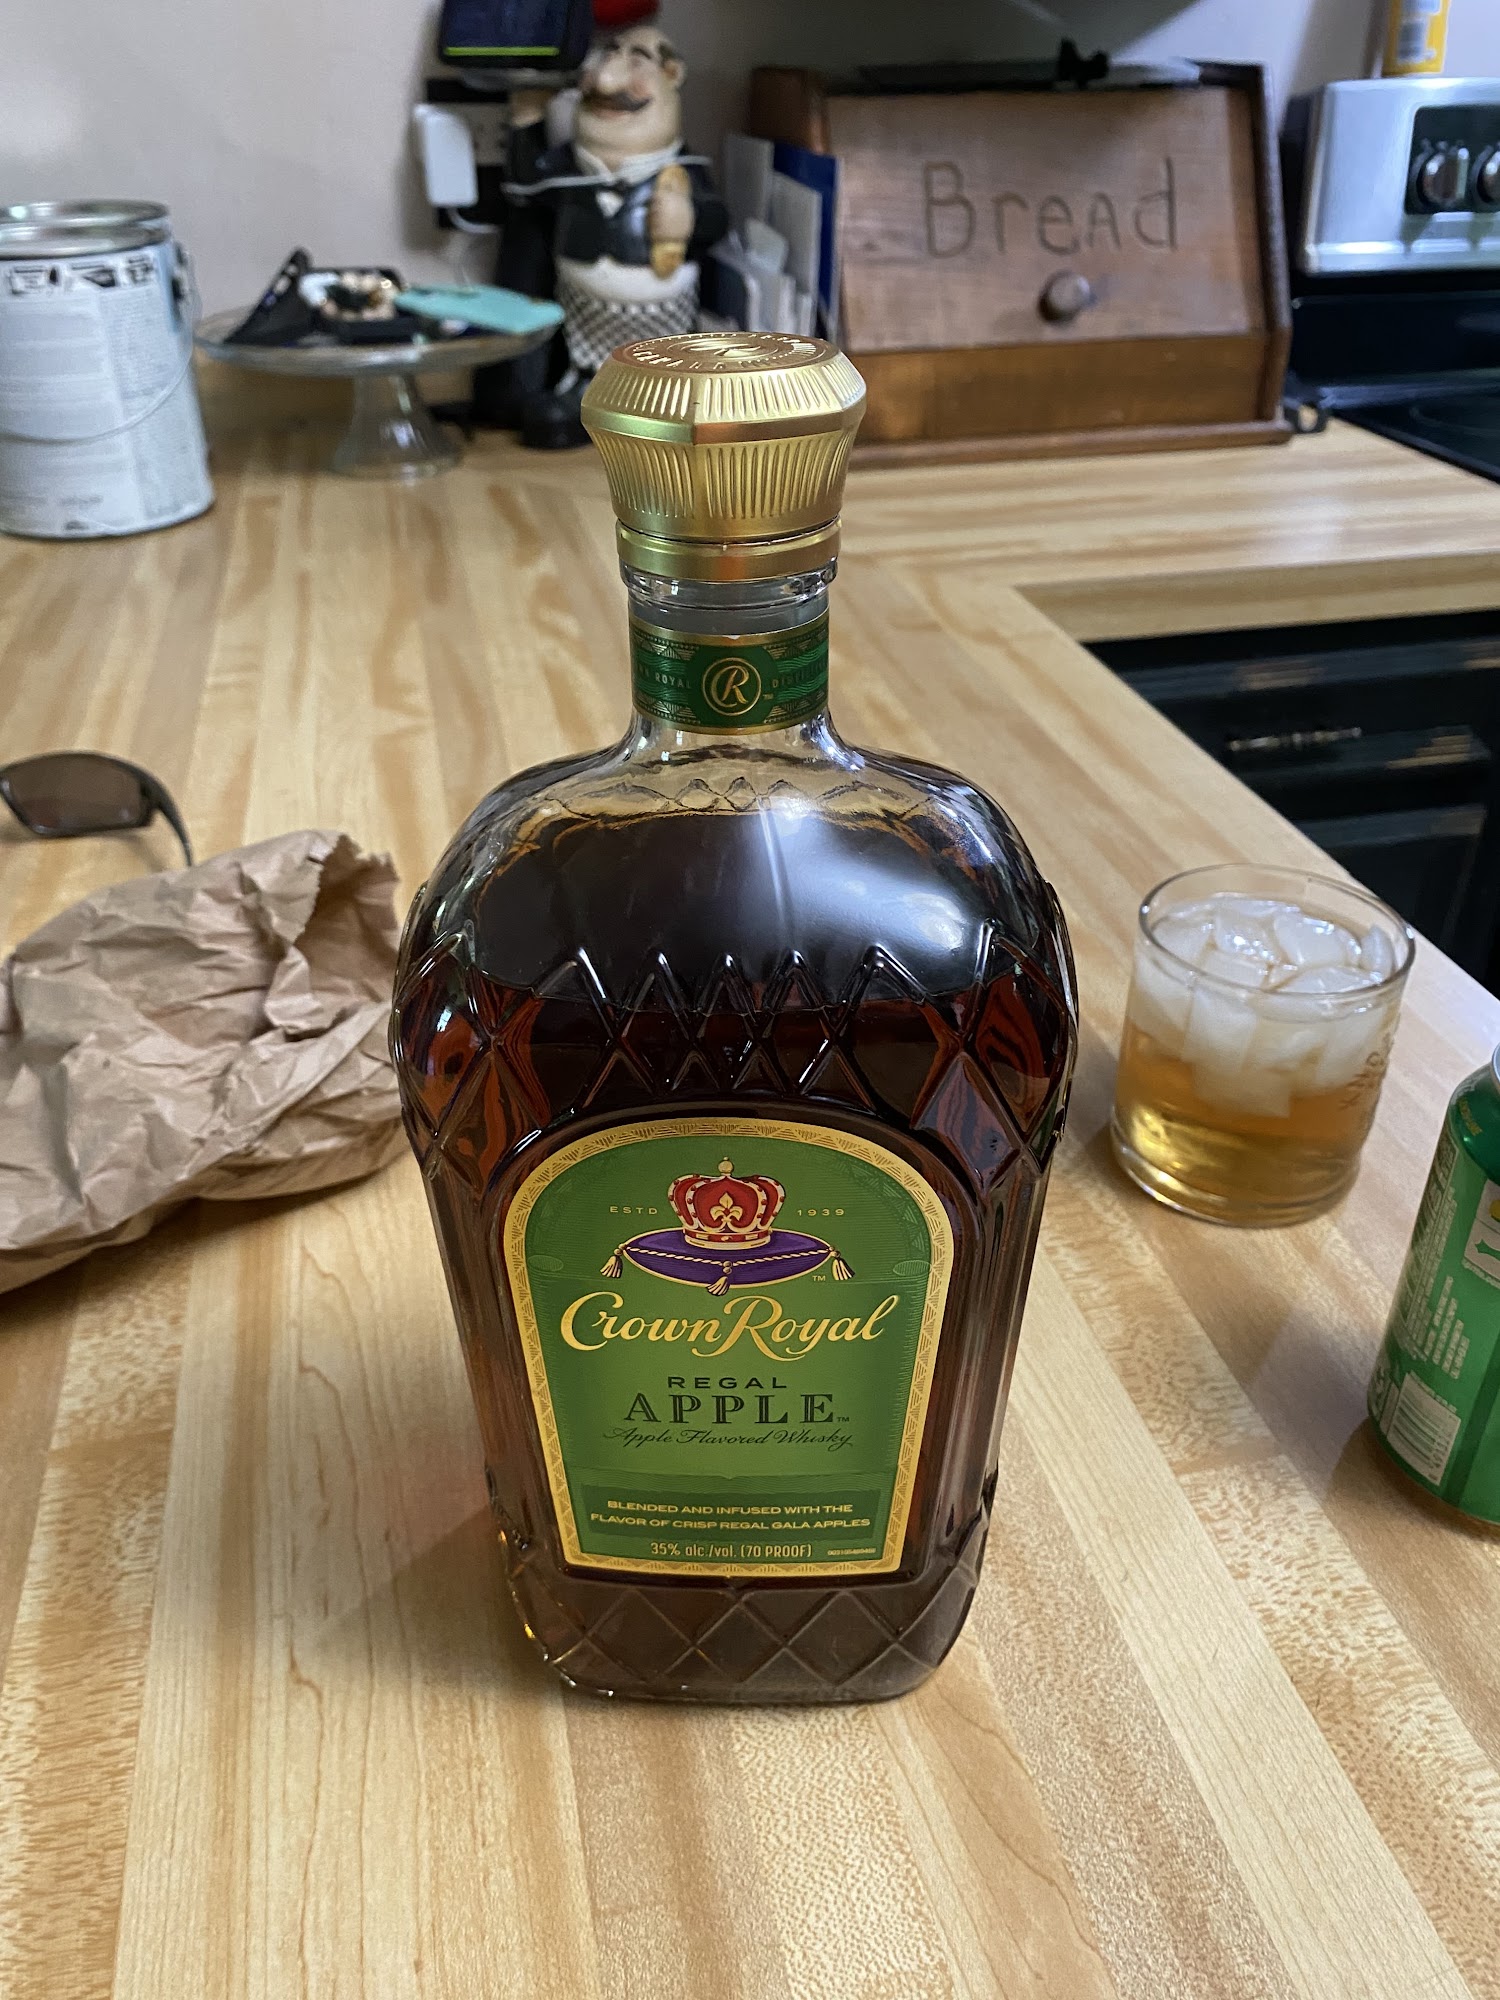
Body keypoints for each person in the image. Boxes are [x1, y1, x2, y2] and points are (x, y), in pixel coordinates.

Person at [502, 24, 727, 448]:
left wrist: (692, 217)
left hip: (665, 327)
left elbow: (718, 221)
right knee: (572, 397)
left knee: (670, 387)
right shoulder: (567, 170)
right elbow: (526, 192)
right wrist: (527, 124)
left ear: (671, 75)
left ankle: (663, 407)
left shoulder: (685, 171)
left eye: (638, 60)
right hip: (583, 326)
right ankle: (587, 396)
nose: (606, 82)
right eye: (606, 57)